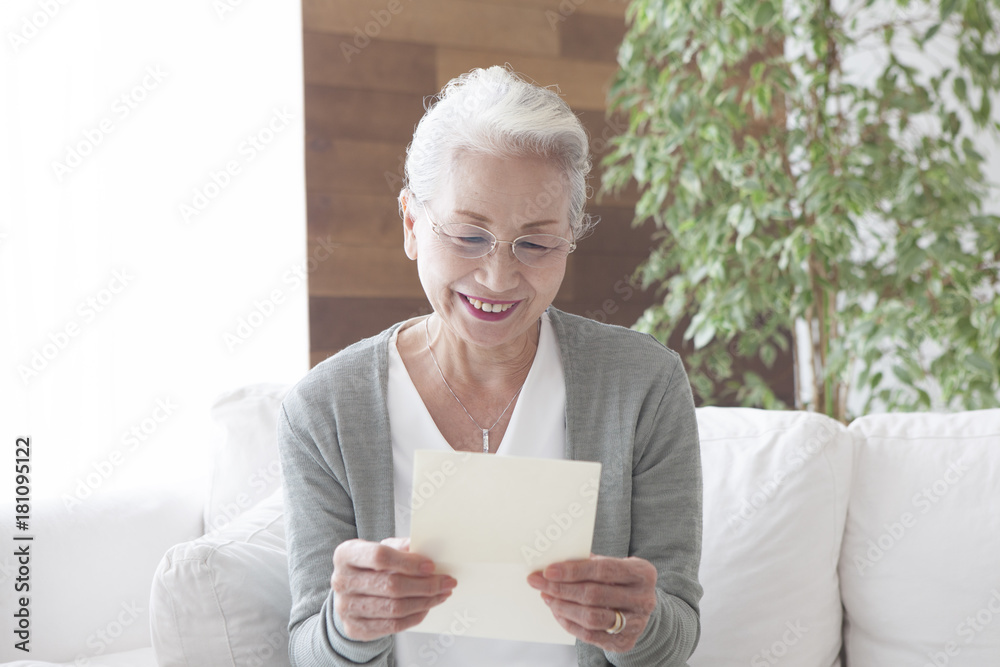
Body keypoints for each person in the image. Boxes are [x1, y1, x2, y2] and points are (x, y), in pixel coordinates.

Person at [278, 65, 703, 667]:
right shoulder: (325, 409)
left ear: (570, 237)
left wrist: (632, 625)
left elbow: (677, 629)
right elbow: (309, 649)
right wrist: (350, 625)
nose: (498, 279)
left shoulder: (641, 385)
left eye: (536, 243)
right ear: (411, 224)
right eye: (467, 236)